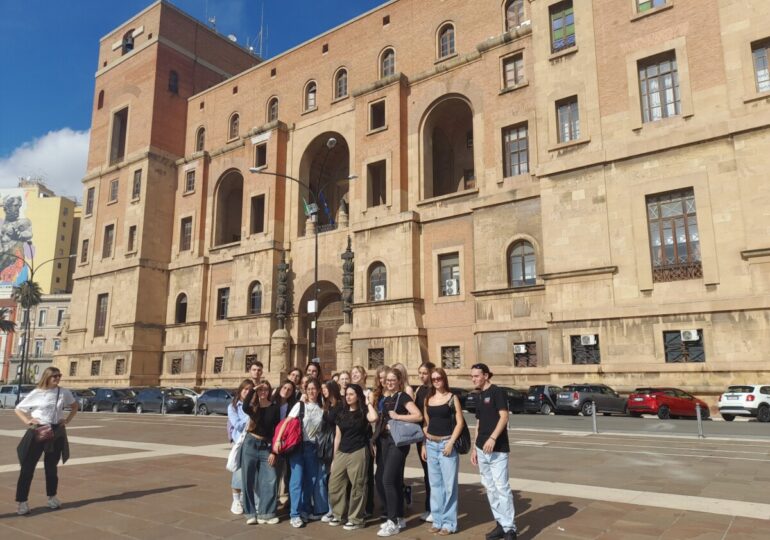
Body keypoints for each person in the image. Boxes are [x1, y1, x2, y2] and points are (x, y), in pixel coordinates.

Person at [14, 367, 78, 515]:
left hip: (55, 431)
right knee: (27, 468)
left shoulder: (64, 392)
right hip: (39, 431)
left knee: (51, 468)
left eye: (59, 376)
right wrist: (28, 420)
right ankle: (22, 502)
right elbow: (18, 408)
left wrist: (67, 419)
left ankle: (52, 497)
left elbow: (75, 406)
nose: (57, 378)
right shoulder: (37, 393)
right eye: (54, 376)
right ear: (47, 377)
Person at [470, 363, 517, 540]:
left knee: (502, 488)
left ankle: (510, 529)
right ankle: (501, 523)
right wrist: (475, 447)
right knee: (490, 488)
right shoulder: (479, 395)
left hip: (498, 449)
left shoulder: (497, 392)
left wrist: (493, 438)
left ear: (486, 376)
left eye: (476, 376)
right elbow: (479, 422)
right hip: (482, 449)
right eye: (472, 376)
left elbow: (504, 417)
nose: (473, 379)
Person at [274, 378, 328, 527]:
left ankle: (304, 509)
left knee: (310, 481)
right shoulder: (300, 405)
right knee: (296, 480)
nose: (311, 391)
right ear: (305, 390)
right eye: (309, 389)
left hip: (312, 447)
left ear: (318, 391)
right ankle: (294, 514)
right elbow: (286, 422)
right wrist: (278, 440)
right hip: (297, 447)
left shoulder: (322, 408)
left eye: (314, 389)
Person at [376, 368, 423, 537]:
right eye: (387, 380)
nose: (389, 382)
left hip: (398, 442)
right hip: (385, 441)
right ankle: (400, 517)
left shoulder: (403, 396)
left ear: (399, 381)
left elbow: (417, 416)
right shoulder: (386, 398)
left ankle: (392, 520)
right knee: (395, 480)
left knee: (387, 479)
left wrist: (397, 417)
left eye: (392, 379)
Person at [327, 384, 379, 530]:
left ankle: (356, 519)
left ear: (358, 396)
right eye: (347, 394)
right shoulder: (341, 413)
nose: (348, 397)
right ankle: (338, 515)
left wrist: (368, 402)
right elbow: (338, 437)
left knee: (358, 485)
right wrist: (334, 458)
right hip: (342, 451)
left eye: (352, 394)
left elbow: (374, 417)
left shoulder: (363, 413)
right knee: (335, 484)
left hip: (358, 451)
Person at [421, 367, 463, 536]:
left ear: (444, 379)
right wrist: (424, 443)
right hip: (431, 444)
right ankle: (437, 520)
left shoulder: (452, 398)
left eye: (439, 378)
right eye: (434, 378)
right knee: (435, 485)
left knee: (449, 486)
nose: (436, 381)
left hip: (447, 444)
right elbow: (426, 423)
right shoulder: (428, 399)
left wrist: (451, 443)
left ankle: (449, 523)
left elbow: (460, 422)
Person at [241, 381, 281, 525]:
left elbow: (276, 431)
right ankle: (250, 512)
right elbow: (244, 406)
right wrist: (253, 390)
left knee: (271, 479)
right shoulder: (253, 407)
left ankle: (266, 513)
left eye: (265, 390)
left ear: (269, 391)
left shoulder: (275, 408)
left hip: (266, 446)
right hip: (250, 444)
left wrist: (273, 452)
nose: (263, 392)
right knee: (247, 479)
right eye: (261, 390)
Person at [227, 379, 255, 515]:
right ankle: (236, 500)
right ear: (240, 390)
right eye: (245, 389)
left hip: (253, 442)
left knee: (251, 472)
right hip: (241, 442)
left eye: (250, 390)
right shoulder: (232, 406)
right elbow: (237, 424)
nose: (247, 392)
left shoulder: (255, 404)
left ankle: (244, 497)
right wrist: (250, 414)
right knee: (238, 471)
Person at [351, 365, 375, 516]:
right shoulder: (350, 392)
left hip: (365, 435)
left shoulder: (368, 393)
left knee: (367, 472)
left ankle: (368, 506)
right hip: (351, 436)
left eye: (357, 373)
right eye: (352, 373)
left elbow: (371, 416)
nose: (354, 375)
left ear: (364, 375)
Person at [415, 361, 436, 522]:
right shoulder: (419, 390)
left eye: (424, 373)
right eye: (420, 373)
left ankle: (434, 509)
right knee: (427, 473)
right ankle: (429, 507)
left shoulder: (434, 390)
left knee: (432, 474)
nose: (422, 376)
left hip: (431, 435)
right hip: (421, 435)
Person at [273, 380, 297, 508]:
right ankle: (272, 500)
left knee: (285, 471)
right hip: (273, 441)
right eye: (284, 387)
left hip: (285, 443)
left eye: (290, 389)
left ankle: (284, 498)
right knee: (273, 474)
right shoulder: (272, 402)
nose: (286, 390)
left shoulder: (292, 405)